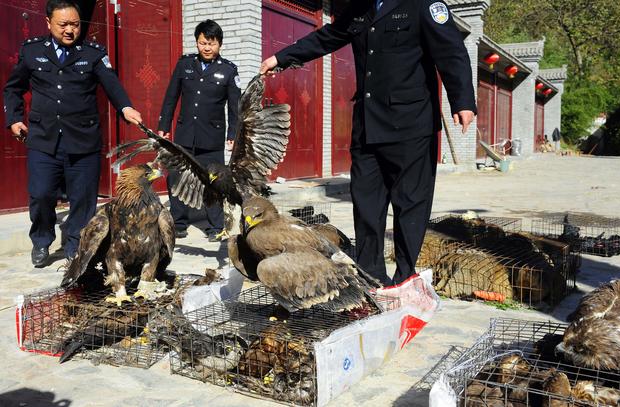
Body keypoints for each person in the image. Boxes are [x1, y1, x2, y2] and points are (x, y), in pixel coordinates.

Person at [261, 0, 476, 286]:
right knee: (366, 204)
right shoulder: (358, 8)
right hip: (368, 125)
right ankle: (372, 277)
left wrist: (462, 101)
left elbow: (452, 52)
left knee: (410, 203)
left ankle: (405, 277)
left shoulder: (423, 5)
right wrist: (281, 58)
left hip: (410, 125)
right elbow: (326, 37)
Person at [3, 0, 142, 268]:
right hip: (44, 139)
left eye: (75, 25)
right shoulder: (32, 51)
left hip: (83, 139)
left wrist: (126, 107)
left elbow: (112, 84)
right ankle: (42, 240)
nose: (70, 30)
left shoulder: (92, 53)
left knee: (83, 198)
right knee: (42, 194)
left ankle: (75, 244)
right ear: (48, 23)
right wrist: (14, 119)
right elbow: (12, 89)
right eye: (63, 24)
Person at [157, 19, 240, 242]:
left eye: (211, 43)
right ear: (197, 42)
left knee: (213, 182)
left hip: (211, 137)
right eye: (202, 43)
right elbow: (171, 98)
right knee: (177, 178)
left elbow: (235, 107)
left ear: (219, 44)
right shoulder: (184, 65)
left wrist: (233, 134)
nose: (206, 48)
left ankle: (216, 227)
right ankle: (179, 223)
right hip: (185, 135)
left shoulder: (228, 70)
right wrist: (164, 126)